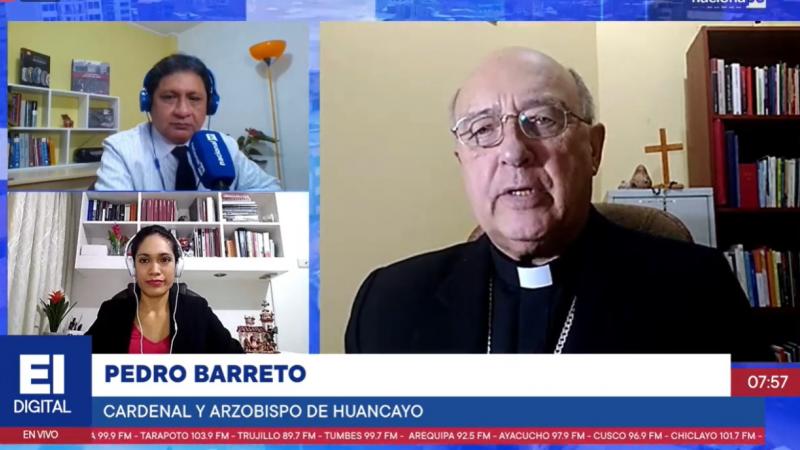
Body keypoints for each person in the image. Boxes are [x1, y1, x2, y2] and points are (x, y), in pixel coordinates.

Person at [345, 47, 769, 360]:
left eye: (542, 120)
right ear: (463, 163)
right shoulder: (388, 304)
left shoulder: (698, 291)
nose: (514, 151)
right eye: (482, 129)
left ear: (593, 149)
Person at [94, 53, 281, 191]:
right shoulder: (120, 149)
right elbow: (113, 216)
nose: (183, 111)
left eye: (194, 99)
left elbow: (271, 190)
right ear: (148, 103)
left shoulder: (224, 146)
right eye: (169, 97)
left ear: (210, 105)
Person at [86, 225, 243, 353]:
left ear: (177, 266)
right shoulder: (111, 312)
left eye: (165, 259)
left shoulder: (198, 311)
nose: (154, 270)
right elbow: (75, 364)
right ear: (133, 267)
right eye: (144, 260)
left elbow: (238, 362)